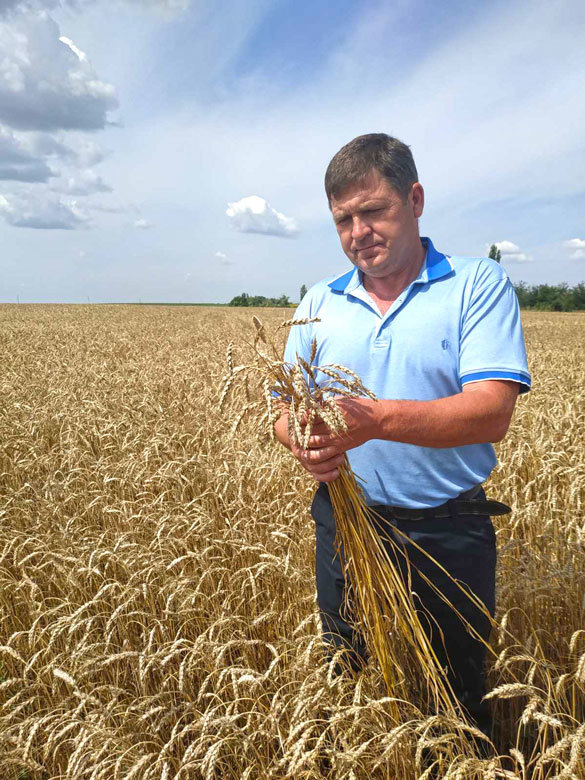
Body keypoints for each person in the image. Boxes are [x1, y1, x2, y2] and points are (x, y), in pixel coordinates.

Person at [274, 133, 531, 736]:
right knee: (349, 678)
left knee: (457, 695)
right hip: (345, 518)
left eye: (373, 210)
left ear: (414, 200)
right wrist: (300, 440)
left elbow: (491, 411)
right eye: (343, 220)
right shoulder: (319, 302)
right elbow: (280, 406)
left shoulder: (476, 284)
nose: (358, 232)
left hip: (448, 529)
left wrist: (376, 420)